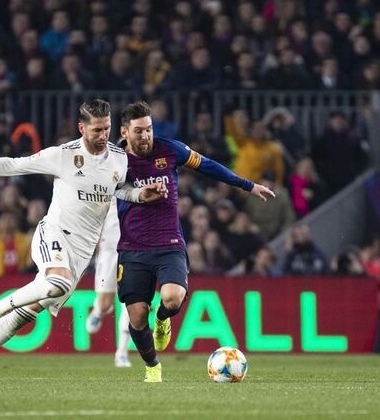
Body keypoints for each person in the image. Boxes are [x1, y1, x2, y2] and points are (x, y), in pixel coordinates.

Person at [0, 100, 166, 382]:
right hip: (54, 234)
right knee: (56, 282)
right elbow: (13, 165)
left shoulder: (119, 158)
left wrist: (141, 195)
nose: (103, 135)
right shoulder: (63, 155)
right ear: (81, 128)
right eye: (97, 130)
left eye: (107, 129)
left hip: (81, 254)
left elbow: (120, 190)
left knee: (27, 313)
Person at [115, 101, 274, 382]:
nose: (146, 136)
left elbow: (208, 166)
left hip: (169, 244)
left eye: (149, 129)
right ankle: (152, 366)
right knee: (137, 317)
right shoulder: (112, 161)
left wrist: (247, 185)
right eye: (139, 131)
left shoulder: (170, 149)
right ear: (124, 132)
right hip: (132, 248)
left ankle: (162, 319)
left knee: (172, 298)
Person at [84, 199, 132, 368]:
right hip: (109, 249)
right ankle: (99, 310)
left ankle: (122, 352)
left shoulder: (142, 186)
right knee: (105, 303)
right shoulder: (109, 185)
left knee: (132, 302)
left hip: (133, 249)